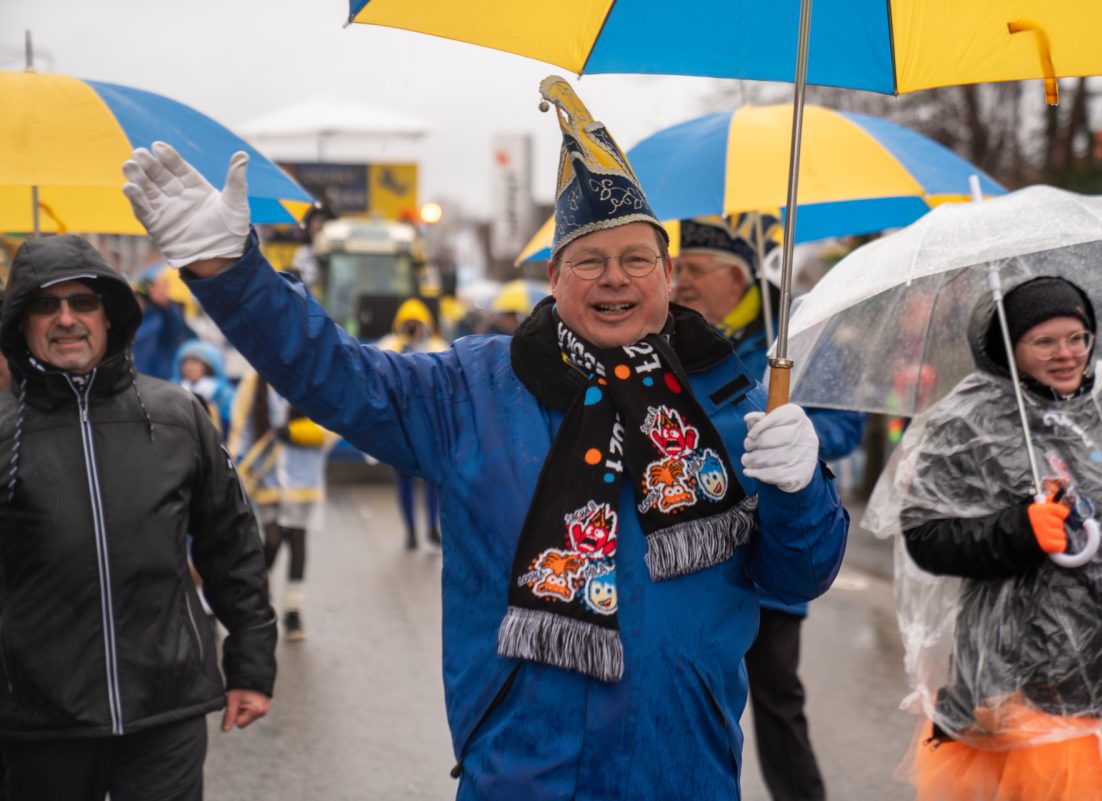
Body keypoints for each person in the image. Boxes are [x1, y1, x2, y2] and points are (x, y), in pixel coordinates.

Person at [122, 74, 848, 800]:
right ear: (555, 280)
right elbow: (335, 374)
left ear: (665, 278)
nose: (614, 278)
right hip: (522, 772)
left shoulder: (731, 402)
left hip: (681, 772)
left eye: (636, 259)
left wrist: (800, 487)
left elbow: (794, 576)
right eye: (589, 261)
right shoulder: (474, 388)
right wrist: (232, 274)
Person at [865, 276, 1102, 801]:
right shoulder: (966, 423)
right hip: (1023, 682)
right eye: (1045, 341)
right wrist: (1019, 530)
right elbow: (927, 536)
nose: (1067, 354)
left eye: (1078, 337)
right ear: (1009, 347)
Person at [0, 235, 276, 801]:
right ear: (20, 323)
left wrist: (250, 662)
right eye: (45, 305)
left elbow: (230, 542)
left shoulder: (176, 415)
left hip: (164, 710)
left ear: (111, 314)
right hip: (37, 720)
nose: (66, 319)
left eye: (83, 303)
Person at [674, 215, 865, 801]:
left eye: (695, 270)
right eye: (675, 268)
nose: (679, 281)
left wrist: (793, 439)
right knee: (689, 698)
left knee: (777, 700)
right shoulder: (663, 337)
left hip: (772, 555)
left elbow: (845, 425)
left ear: (737, 279)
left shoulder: (796, 339)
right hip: (690, 556)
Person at [229, 370, 329, 642]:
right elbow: (240, 425)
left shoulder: (311, 374)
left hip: (302, 476)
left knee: (298, 538)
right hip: (265, 474)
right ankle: (260, 592)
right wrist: (237, 465)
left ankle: (292, 612)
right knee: (271, 539)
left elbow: (334, 423)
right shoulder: (254, 379)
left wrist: (298, 431)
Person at [379, 298, 448, 550]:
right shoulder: (392, 345)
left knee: (432, 481)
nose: (413, 329)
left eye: (416, 324)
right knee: (404, 480)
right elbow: (380, 367)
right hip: (403, 428)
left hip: (431, 428)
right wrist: (403, 342)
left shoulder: (437, 346)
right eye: (407, 324)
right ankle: (410, 530)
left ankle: (432, 527)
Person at [131, 261, 197, 380]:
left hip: (159, 385)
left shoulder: (161, 320)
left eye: (139, 297)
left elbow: (180, 332)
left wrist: (167, 307)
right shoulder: (131, 324)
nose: (136, 302)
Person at [174, 337, 235, 435]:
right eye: (185, 363)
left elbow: (236, 426)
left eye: (195, 362)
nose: (188, 367)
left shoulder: (225, 394)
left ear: (208, 366)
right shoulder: (172, 392)